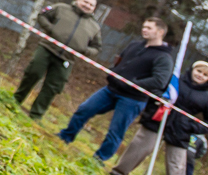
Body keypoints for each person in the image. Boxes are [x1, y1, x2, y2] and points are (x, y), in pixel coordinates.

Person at [58, 18, 173, 163]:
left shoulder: (164, 57)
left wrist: (132, 84)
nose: (144, 30)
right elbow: (120, 60)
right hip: (111, 89)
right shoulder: (134, 45)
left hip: (133, 99)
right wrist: (113, 72)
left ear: (160, 32)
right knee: (84, 109)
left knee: (115, 131)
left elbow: (159, 81)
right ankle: (65, 137)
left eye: (149, 28)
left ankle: (99, 159)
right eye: (144, 26)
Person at [13, 0, 102, 120]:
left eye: (91, 5)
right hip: (47, 48)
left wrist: (84, 50)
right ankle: (16, 100)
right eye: (85, 2)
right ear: (78, 0)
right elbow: (42, 15)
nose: (87, 6)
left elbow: (96, 48)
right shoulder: (61, 8)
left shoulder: (94, 27)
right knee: (33, 73)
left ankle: (35, 115)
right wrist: (51, 29)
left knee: (52, 87)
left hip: (67, 60)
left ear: (94, 8)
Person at [111, 61, 208, 175]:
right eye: (199, 71)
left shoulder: (206, 96)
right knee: (139, 147)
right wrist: (158, 101)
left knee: (176, 164)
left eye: (205, 74)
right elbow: (155, 90)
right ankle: (118, 172)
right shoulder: (174, 80)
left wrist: (192, 127)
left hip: (181, 130)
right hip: (158, 118)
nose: (200, 75)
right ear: (192, 70)